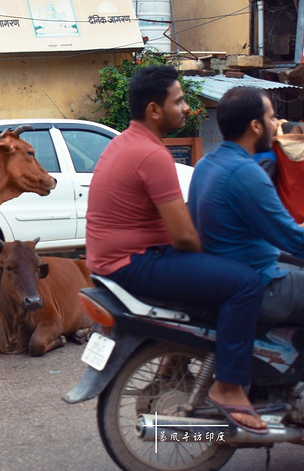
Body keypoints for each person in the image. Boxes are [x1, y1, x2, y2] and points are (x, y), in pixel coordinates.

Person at [86, 65, 267, 433]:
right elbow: (184, 236)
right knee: (244, 283)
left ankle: (175, 361)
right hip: (134, 262)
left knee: (217, 275)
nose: (187, 108)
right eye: (180, 101)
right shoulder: (153, 156)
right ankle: (228, 386)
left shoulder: (125, 142)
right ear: (155, 110)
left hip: (116, 259)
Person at [188, 86, 304, 327]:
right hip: (259, 281)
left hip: (222, 273)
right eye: (271, 117)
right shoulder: (247, 172)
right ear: (255, 126)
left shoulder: (205, 164)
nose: (275, 125)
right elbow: (292, 238)